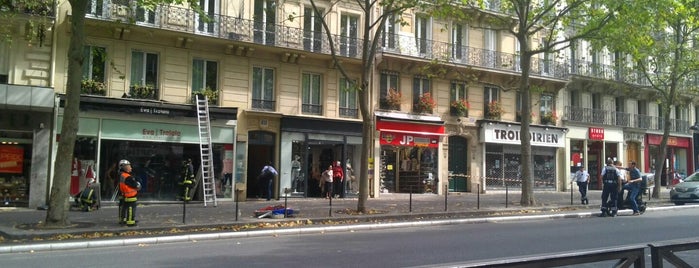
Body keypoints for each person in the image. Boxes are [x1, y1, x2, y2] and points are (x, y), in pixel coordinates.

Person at [119, 159, 141, 227]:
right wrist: (138, 184)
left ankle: (123, 219)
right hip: (130, 195)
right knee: (131, 208)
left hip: (124, 194)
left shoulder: (122, 175)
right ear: (125, 167)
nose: (131, 167)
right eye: (129, 166)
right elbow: (136, 185)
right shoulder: (128, 177)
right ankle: (130, 221)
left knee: (123, 207)